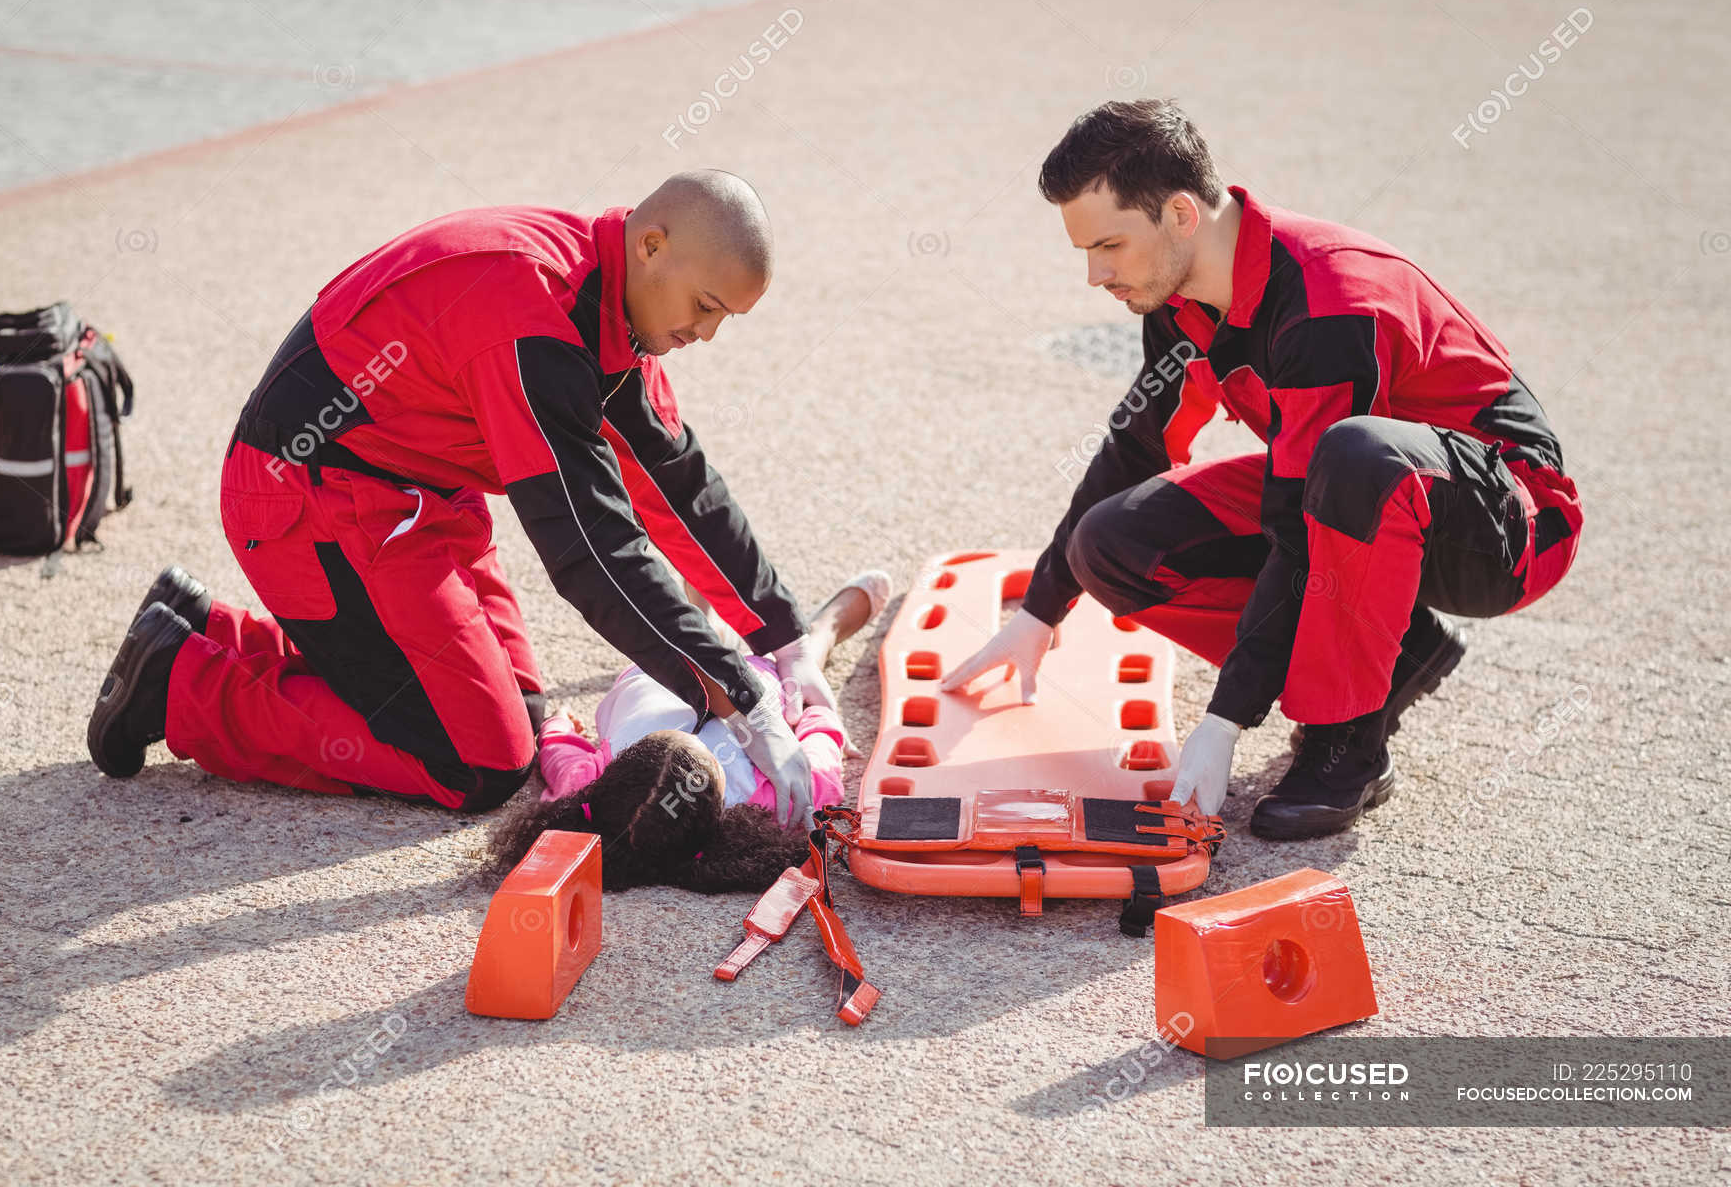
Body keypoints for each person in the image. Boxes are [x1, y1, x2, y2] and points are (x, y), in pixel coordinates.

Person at [89, 171, 832, 818]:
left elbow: (677, 482)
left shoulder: (607, 298)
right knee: (479, 764)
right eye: (705, 306)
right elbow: (592, 550)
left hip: (414, 498)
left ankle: (204, 624)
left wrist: (785, 644)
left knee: (523, 716)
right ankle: (180, 678)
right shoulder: (533, 319)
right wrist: (743, 699)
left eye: (723, 319)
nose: (705, 334)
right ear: (652, 246)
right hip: (307, 501)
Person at [942, 100, 1583, 840]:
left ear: (1181, 214)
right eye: (1086, 251)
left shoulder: (1328, 302)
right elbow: (1136, 447)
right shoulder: (1180, 300)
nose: (1095, 274)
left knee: (1354, 456)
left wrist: (1225, 717)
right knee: (1108, 546)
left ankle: (1348, 739)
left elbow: (1299, 524)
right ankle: (1400, 650)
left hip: (1508, 524)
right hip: (1349, 492)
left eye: (1110, 244)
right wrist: (1039, 611)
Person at [482, 571, 890, 891]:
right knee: (805, 665)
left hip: (661, 667)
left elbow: (560, 756)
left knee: (699, 640)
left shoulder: (584, 792)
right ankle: (822, 633)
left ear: (613, 775)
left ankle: (702, 626)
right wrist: (814, 708)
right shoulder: (781, 801)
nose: (701, 725)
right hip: (757, 681)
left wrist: (557, 726)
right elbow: (818, 745)